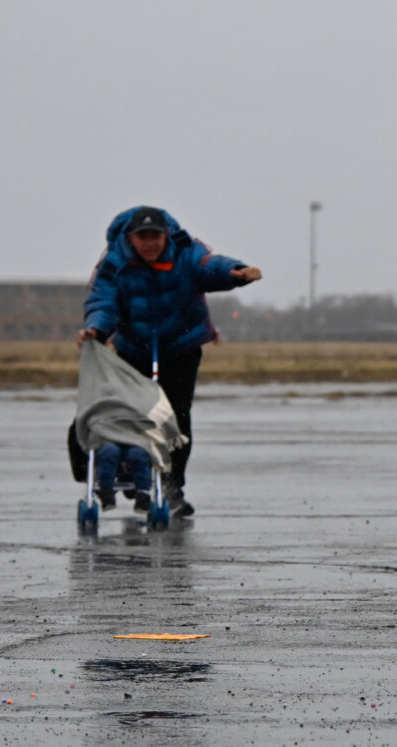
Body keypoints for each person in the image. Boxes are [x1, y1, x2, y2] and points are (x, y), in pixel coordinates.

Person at [78, 206, 261, 516]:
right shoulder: (115, 263)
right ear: (131, 238)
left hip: (181, 345)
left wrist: (237, 273)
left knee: (176, 418)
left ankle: (173, 484)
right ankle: (134, 474)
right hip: (133, 349)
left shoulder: (184, 251)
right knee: (135, 413)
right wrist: (96, 328)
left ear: (165, 236)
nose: (150, 243)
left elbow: (210, 267)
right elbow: (103, 301)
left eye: (156, 237)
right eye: (143, 237)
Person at [94, 440, 153, 513]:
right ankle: (107, 493)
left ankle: (143, 494)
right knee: (108, 452)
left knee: (139, 455)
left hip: (136, 441)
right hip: (109, 438)